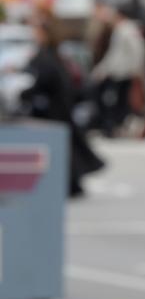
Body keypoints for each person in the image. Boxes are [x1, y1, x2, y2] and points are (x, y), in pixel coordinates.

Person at [20, 17, 105, 196]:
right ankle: (73, 183)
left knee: (61, 146)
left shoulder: (47, 55)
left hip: (54, 107)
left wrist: (25, 94)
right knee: (67, 144)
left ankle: (72, 183)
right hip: (59, 105)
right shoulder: (52, 54)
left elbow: (43, 79)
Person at [89, 3, 145, 136]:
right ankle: (117, 127)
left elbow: (136, 50)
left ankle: (117, 127)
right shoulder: (123, 29)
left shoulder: (125, 29)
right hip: (119, 72)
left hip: (122, 73)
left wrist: (137, 69)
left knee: (118, 102)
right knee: (119, 102)